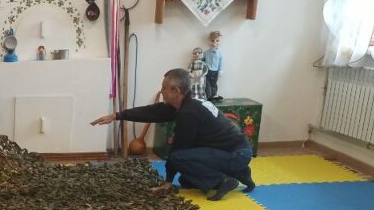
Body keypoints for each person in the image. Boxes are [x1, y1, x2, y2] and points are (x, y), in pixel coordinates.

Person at [91, 68, 254, 201]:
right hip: (234, 151)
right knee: (186, 180)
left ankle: (223, 180)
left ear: (176, 91)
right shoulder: (186, 103)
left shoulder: (188, 113)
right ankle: (241, 172)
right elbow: (152, 112)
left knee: (178, 158)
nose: (161, 91)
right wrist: (117, 115)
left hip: (236, 154)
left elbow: (178, 150)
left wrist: (168, 182)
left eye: (164, 88)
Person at [204, 31, 223, 102]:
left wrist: (220, 70)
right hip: (208, 71)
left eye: (217, 41)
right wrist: (204, 67)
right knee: (208, 85)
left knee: (214, 84)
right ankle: (209, 96)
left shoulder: (219, 54)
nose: (214, 42)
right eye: (212, 40)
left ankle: (214, 95)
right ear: (209, 41)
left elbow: (220, 63)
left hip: (215, 72)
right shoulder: (206, 53)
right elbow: (202, 61)